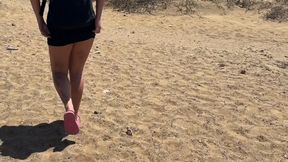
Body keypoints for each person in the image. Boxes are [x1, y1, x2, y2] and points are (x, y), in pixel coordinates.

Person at [30, 0, 104, 135]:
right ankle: (74, 115)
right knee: (77, 72)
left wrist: (39, 20)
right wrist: (98, 19)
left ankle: (69, 107)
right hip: (86, 21)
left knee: (59, 72)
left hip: (59, 23)